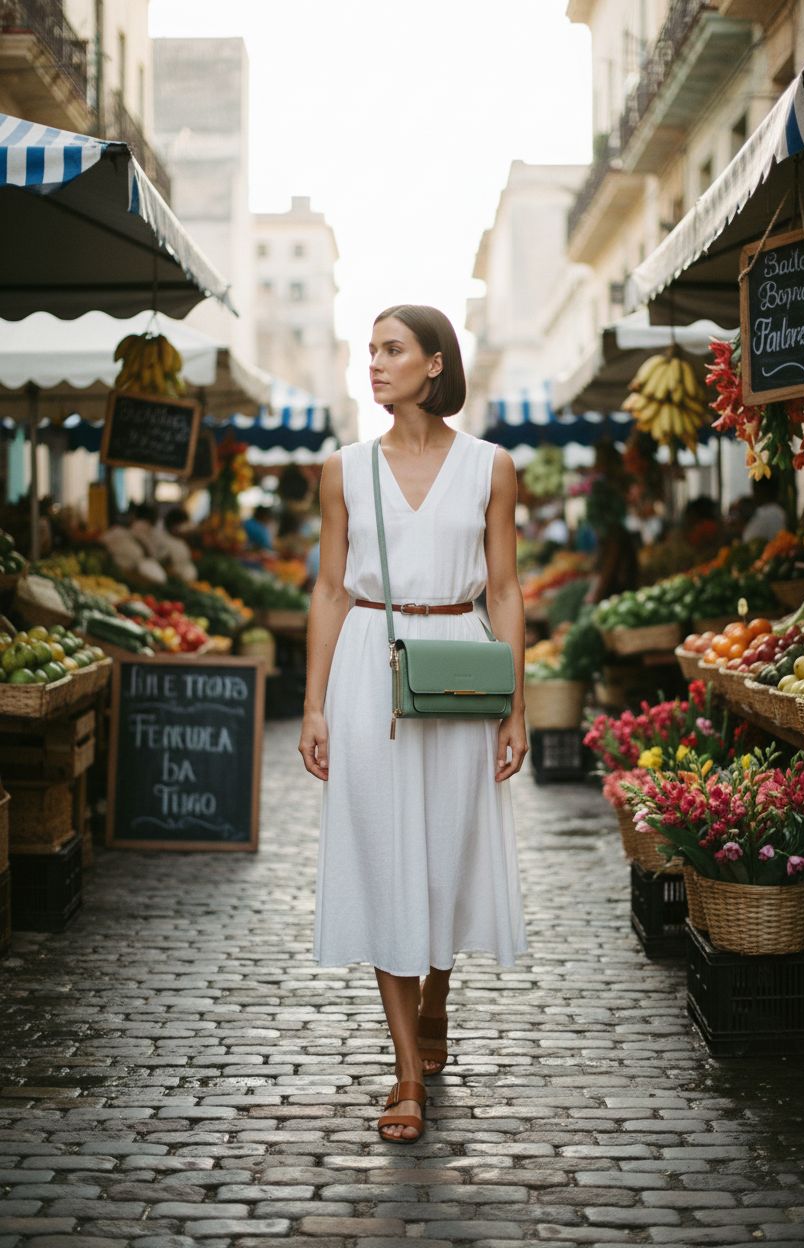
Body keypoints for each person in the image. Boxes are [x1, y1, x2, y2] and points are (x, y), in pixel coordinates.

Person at [298, 304, 528, 1144]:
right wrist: (315, 702)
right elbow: (329, 588)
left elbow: (503, 589)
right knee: (388, 857)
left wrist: (518, 707)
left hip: (462, 671)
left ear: (436, 364)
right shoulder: (344, 469)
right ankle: (405, 1076)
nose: (375, 363)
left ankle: (437, 994)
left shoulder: (491, 467)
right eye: (370, 351)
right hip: (369, 664)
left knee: (444, 855)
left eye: (392, 350)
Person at [742, 474, 788, 543]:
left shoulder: (770, 513)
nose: (753, 495)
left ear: (762, 490)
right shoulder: (774, 511)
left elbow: (752, 539)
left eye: (755, 490)